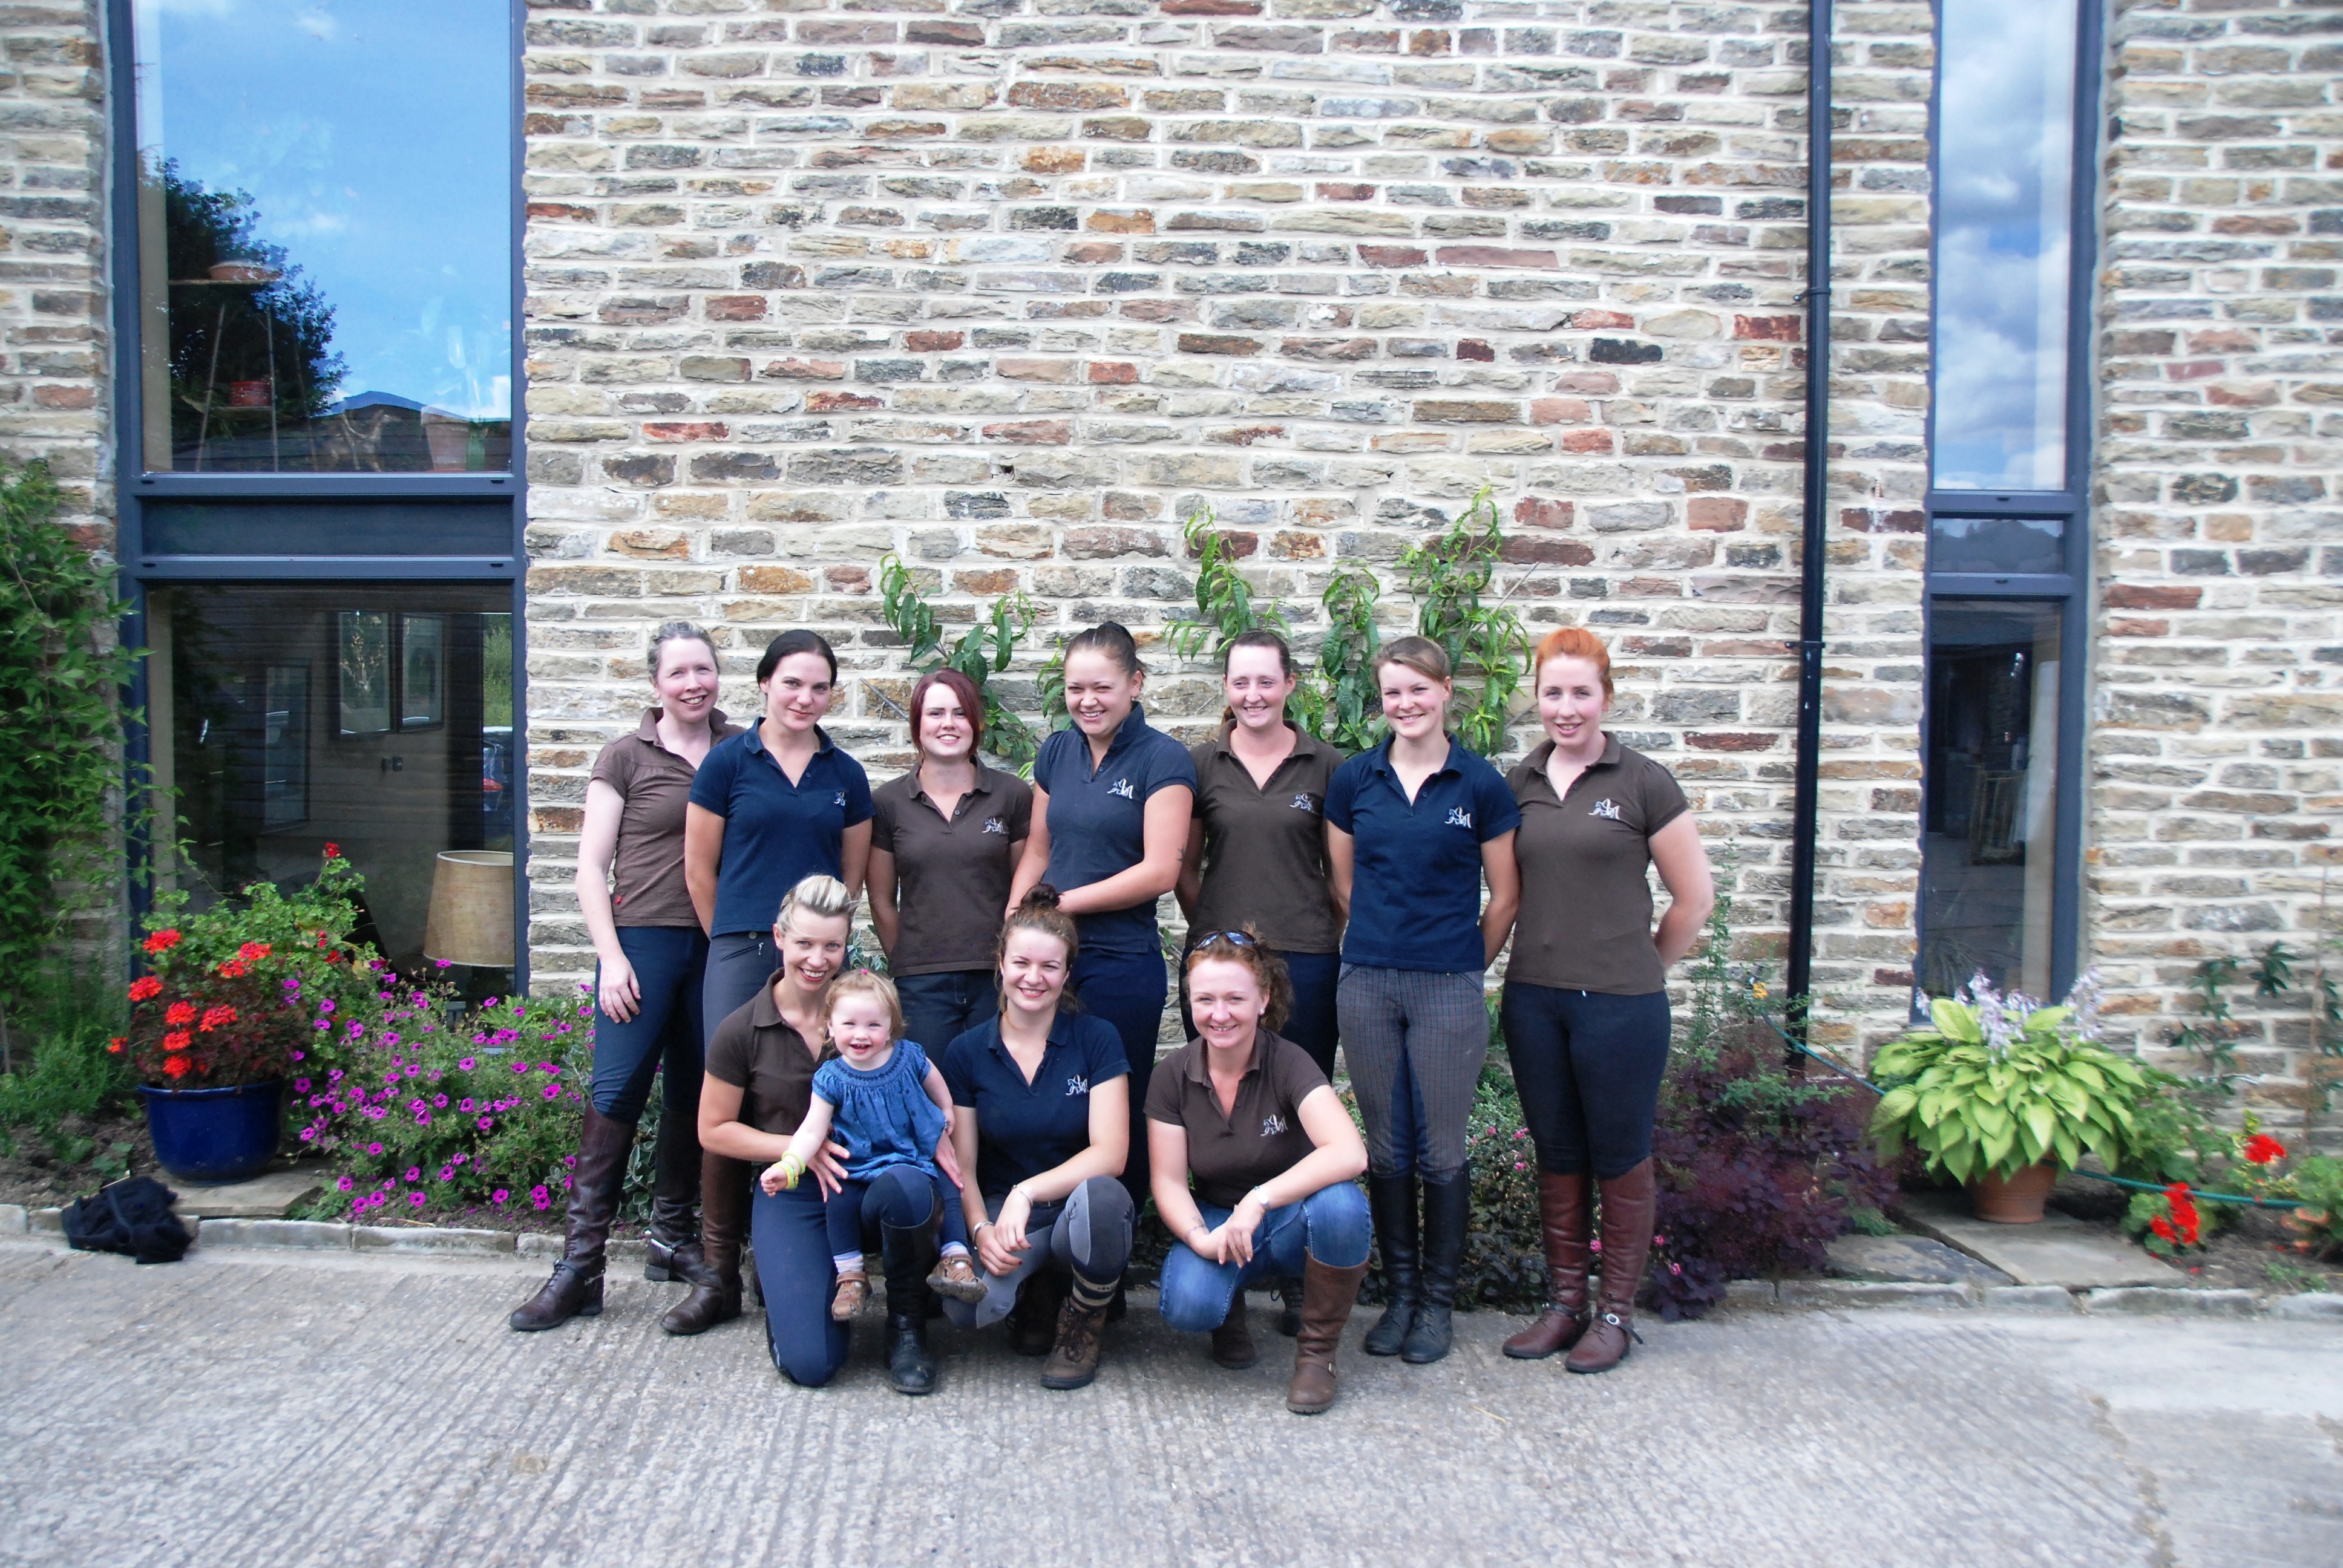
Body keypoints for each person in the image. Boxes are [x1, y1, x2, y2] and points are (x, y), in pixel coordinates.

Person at [1498, 627, 1713, 1374]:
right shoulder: (1519, 783)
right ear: (1537, 698)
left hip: (1620, 1006)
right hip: (1533, 1000)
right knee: (1556, 1151)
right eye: (1552, 693)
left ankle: (1614, 1313)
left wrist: (1641, 966)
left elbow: (1693, 899)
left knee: (1619, 1155)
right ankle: (1564, 1305)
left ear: (1606, 698)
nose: (1565, 708)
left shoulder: (1643, 782)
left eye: (1580, 694)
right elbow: (1506, 891)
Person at [511, 622, 735, 1331]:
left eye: (703, 670)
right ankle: (579, 1268)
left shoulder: (741, 749)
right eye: (678, 673)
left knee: (696, 1092)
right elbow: (589, 867)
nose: (693, 684)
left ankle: (671, 1236)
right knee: (615, 1093)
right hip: (641, 944)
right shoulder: (625, 756)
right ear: (655, 684)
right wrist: (610, 957)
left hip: (718, 947)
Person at [1325, 636, 1521, 1367]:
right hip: (1368, 981)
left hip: (1447, 985)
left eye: (1417, 689)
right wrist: (1382, 938)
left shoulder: (1480, 785)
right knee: (1385, 1146)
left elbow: (1505, 897)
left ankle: (1437, 1304)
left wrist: (1464, 965)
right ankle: (1399, 1296)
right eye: (1392, 692)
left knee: (1440, 1148)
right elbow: (1342, 883)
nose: (1404, 704)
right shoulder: (1355, 779)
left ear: (1444, 692)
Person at [691, 877, 954, 1394]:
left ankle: (906, 1327)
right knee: (812, 1364)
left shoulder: (867, 1015)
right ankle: (793, 1298)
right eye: (805, 943)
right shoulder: (742, 1030)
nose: (817, 959)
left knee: (908, 1188)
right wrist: (800, 1151)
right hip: (798, 1193)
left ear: (846, 945)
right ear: (779, 938)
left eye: (832, 946)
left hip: (878, 1183)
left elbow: (914, 1080)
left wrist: (934, 1129)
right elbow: (712, 1129)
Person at [1010, 621, 1195, 1207]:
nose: (1086, 701)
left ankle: (1118, 1231)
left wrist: (1061, 906)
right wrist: (1015, 923)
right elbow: (1038, 851)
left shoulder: (1163, 758)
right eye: (1075, 688)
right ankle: (1048, 1224)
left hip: (1120, 963)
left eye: (1101, 688)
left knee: (1116, 1099)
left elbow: (1160, 871)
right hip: (1049, 961)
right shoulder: (1055, 751)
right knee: (1051, 1096)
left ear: (1134, 684)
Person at [1149, 930, 1372, 1416]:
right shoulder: (1171, 1076)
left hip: (1288, 1219)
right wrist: (1199, 1238)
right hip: (1219, 1221)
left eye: (1235, 998)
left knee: (1342, 1206)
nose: (1220, 1014)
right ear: (1189, 1002)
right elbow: (1168, 1181)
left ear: (1263, 999)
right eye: (1205, 1000)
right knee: (1188, 1307)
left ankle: (1317, 1355)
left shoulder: (1288, 1061)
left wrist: (1259, 1199)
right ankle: (1227, 1312)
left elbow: (1350, 1152)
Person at [941, 886, 1134, 1391]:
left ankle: (1083, 1321)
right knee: (966, 1310)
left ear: (1067, 974)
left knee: (1105, 1199)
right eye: (1022, 963)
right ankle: (1038, 1292)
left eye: (1050, 966)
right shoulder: (966, 1052)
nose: (1034, 977)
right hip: (1005, 1218)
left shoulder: (1096, 1039)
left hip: (1077, 1211)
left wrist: (1027, 1192)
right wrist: (981, 1230)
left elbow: (1111, 1154)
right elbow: (962, 1166)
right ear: (1001, 964)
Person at [760, 969, 985, 1318]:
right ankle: (851, 1275)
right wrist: (790, 1165)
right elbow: (812, 1130)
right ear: (830, 1026)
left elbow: (934, 1079)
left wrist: (944, 1108)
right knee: (837, 1199)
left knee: (950, 1184)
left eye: (873, 1025)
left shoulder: (908, 1056)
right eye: (849, 1024)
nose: (861, 1034)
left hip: (913, 1154)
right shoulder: (832, 1078)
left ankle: (955, 1258)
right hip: (859, 1164)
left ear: (891, 1026)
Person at [684, 629, 873, 1035]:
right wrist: (726, 939)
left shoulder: (848, 774)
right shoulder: (725, 764)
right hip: (741, 946)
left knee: (820, 1061)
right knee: (730, 1062)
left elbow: (851, 879)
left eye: (819, 688)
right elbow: (698, 872)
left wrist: (826, 941)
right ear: (765, 682)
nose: (805, 699)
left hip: (818, 956)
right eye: (792, 683)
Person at [1175, 629, 1345, 1078]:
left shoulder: (1328, 765)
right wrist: (1217, 926)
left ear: (1290, 683)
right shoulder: (1199, 765)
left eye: (1266, 682)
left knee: (1304, 1088)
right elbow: (1184, 872)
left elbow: (1340, 878)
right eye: (1241, 683)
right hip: (1217, 958)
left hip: (1307, 960)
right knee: (1217, 1090)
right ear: (1226, 686)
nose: (1253, 696)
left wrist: (1314, 930)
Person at [868, 668, 1032, 1050]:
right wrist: (907, 961)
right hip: (921, 983)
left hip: (998, 976)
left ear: (976, 722)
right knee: (931, 1086)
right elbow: (880, 899)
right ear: (917, 723)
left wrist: (1016, 962)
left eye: (960, 713)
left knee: (995, 1082)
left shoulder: (1011, 795)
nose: (949, 723)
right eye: (936, 713)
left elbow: (1026, 891)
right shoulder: (888, 802)